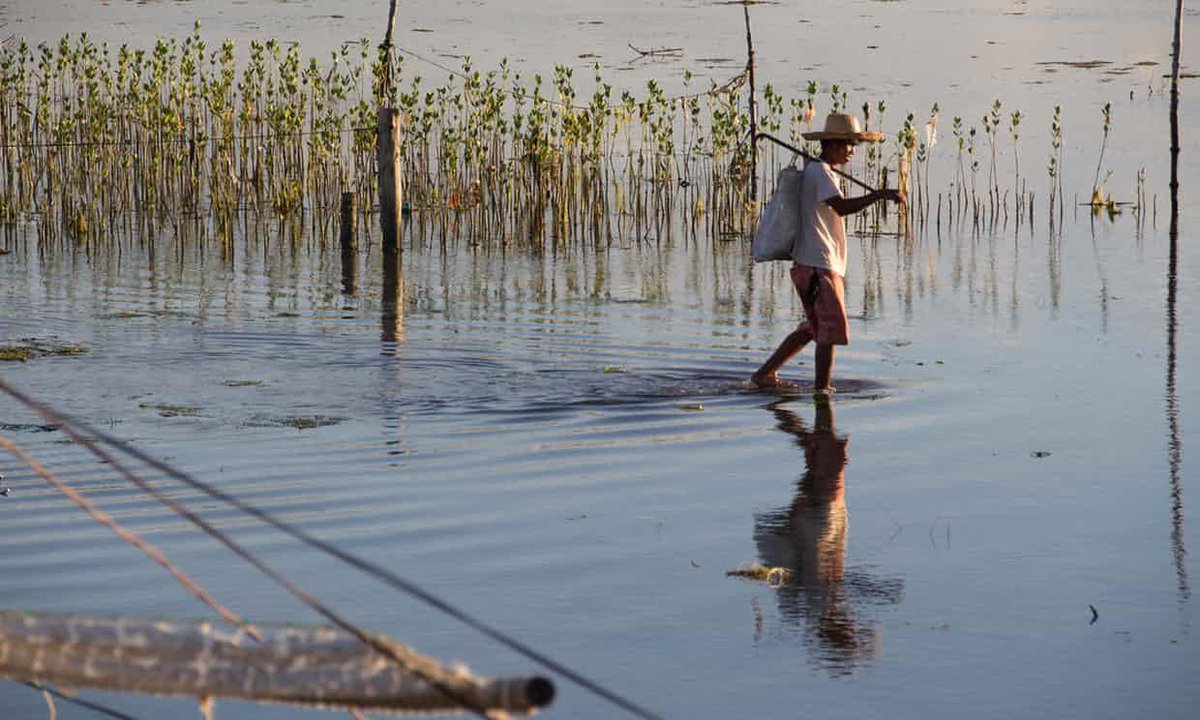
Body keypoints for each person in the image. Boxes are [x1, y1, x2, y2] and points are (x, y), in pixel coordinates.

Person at [751, 113, 903, 397]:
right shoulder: (820, 173)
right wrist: (878, 195)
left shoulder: (820, 171)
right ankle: (822, 389)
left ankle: (765, 374)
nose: (852, 151)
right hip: (818, 265)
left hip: (813, 264)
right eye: (848, 145)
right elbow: (840, 207)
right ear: (833, 143)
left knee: (813, 327)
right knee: (829, 330)